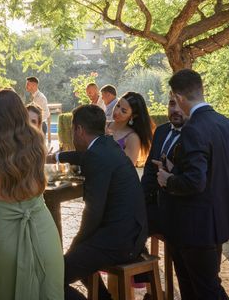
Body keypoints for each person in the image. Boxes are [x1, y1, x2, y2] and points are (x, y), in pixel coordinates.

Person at [155, 69, 229, 300]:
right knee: (201, 286)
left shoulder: (193, 128)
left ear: (180, 97)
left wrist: (168, 179)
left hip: (195, 226)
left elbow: (195, 181)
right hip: (219, 220)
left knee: (204, 289)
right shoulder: (227, 124)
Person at [0, 89, 63, 300]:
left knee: (6, 291)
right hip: (43, 228)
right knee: (49, 289)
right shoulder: (36, 138)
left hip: (4, 231)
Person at [54, 105, 148, 300]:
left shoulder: (96, 155)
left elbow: (93, 212)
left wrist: (76, 243)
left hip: (119, 241)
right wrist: (54, 157)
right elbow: (81, 157)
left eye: (72, 130)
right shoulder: (106, 145)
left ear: (79, 130)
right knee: (80, 255)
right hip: (132, 232)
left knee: (50, 279)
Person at [140, 93, 187, 235]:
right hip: (154, 204)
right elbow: (149, 168)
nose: (176, 110)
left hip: (179, 210)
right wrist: (140, 200)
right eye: (172, 104)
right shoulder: (161, 131)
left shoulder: (194, 135)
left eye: (181, 105)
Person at [109, 91, 153, 166]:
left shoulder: (132, 138)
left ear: (133, 116)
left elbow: (127, 169)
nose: (117, 111)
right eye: (118, 105)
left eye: (123, 111)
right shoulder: (103, 125)